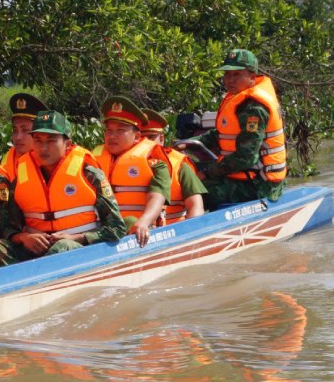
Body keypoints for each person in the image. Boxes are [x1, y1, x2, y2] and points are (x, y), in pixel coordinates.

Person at [0, 110, 126, 266]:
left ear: (67, 144)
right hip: (36, 249)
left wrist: (78, 237)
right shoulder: (21, 177)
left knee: (63, 247)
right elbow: (8, 226)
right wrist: (23, 238)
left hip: (79, 247)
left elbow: (116, 228)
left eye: (51, 141)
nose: (43, 148)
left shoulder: (90, 175)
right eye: (38, 141)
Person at [184, 49, 287, 208]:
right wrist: (187, 143)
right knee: (188, 176)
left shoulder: (254, 109)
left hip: (260, 185)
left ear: (252, 77)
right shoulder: (237, 97)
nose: (229, 80)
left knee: (192, 191)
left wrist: (207, 173)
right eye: (227, 74)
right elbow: (220, 135)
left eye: (236, 74)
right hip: (242, 175)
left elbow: (246, 157)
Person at [127, 140, 207, 245]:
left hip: (173, 234)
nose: (146, 144)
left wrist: (191, 237)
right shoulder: (125, 165)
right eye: (142, 139)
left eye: (151, 138)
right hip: (131, 233)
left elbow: (195, 206)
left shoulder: (180, 167)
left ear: (161, 139)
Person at [93, 96, 159, 221]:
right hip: (102, 231)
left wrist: (143, 223)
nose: (112, 136)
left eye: (120, 131)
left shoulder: (154, 160)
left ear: (137, 136)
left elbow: (157, 196)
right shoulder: (92, 158)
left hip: (140, 231)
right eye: (109, 130)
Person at [1, 92, 48, 181]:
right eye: (15, 130)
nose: (18, 137)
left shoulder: (51, 164)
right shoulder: (7, 159)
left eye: (25, 130)